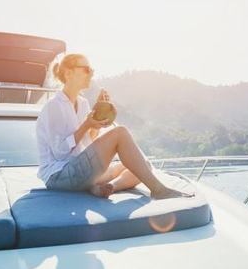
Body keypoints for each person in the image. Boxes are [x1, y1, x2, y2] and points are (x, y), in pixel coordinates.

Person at [36, 53, 189, 199]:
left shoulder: (83, 103)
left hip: (79, 170)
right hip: (59, 175)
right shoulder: (54, 106)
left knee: (143, 167)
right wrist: (87, 124)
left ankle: (108, 187)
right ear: (68, 73)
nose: (91, 74)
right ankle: (158, 189)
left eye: (92, 70)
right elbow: (60, 153)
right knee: (120, 133)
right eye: (87, 69)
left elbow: (88, 139)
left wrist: (97, 117)